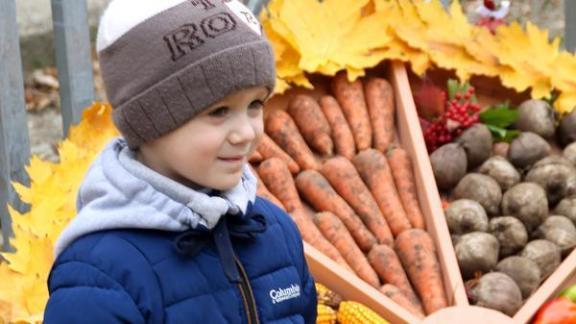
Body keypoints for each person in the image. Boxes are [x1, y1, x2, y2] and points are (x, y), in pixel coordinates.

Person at [43, 0, 317, 322]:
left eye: (255, 104)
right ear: (149, 122)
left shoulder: (276, 233)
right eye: (219, 111)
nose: (246, 132)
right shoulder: (100, 277)